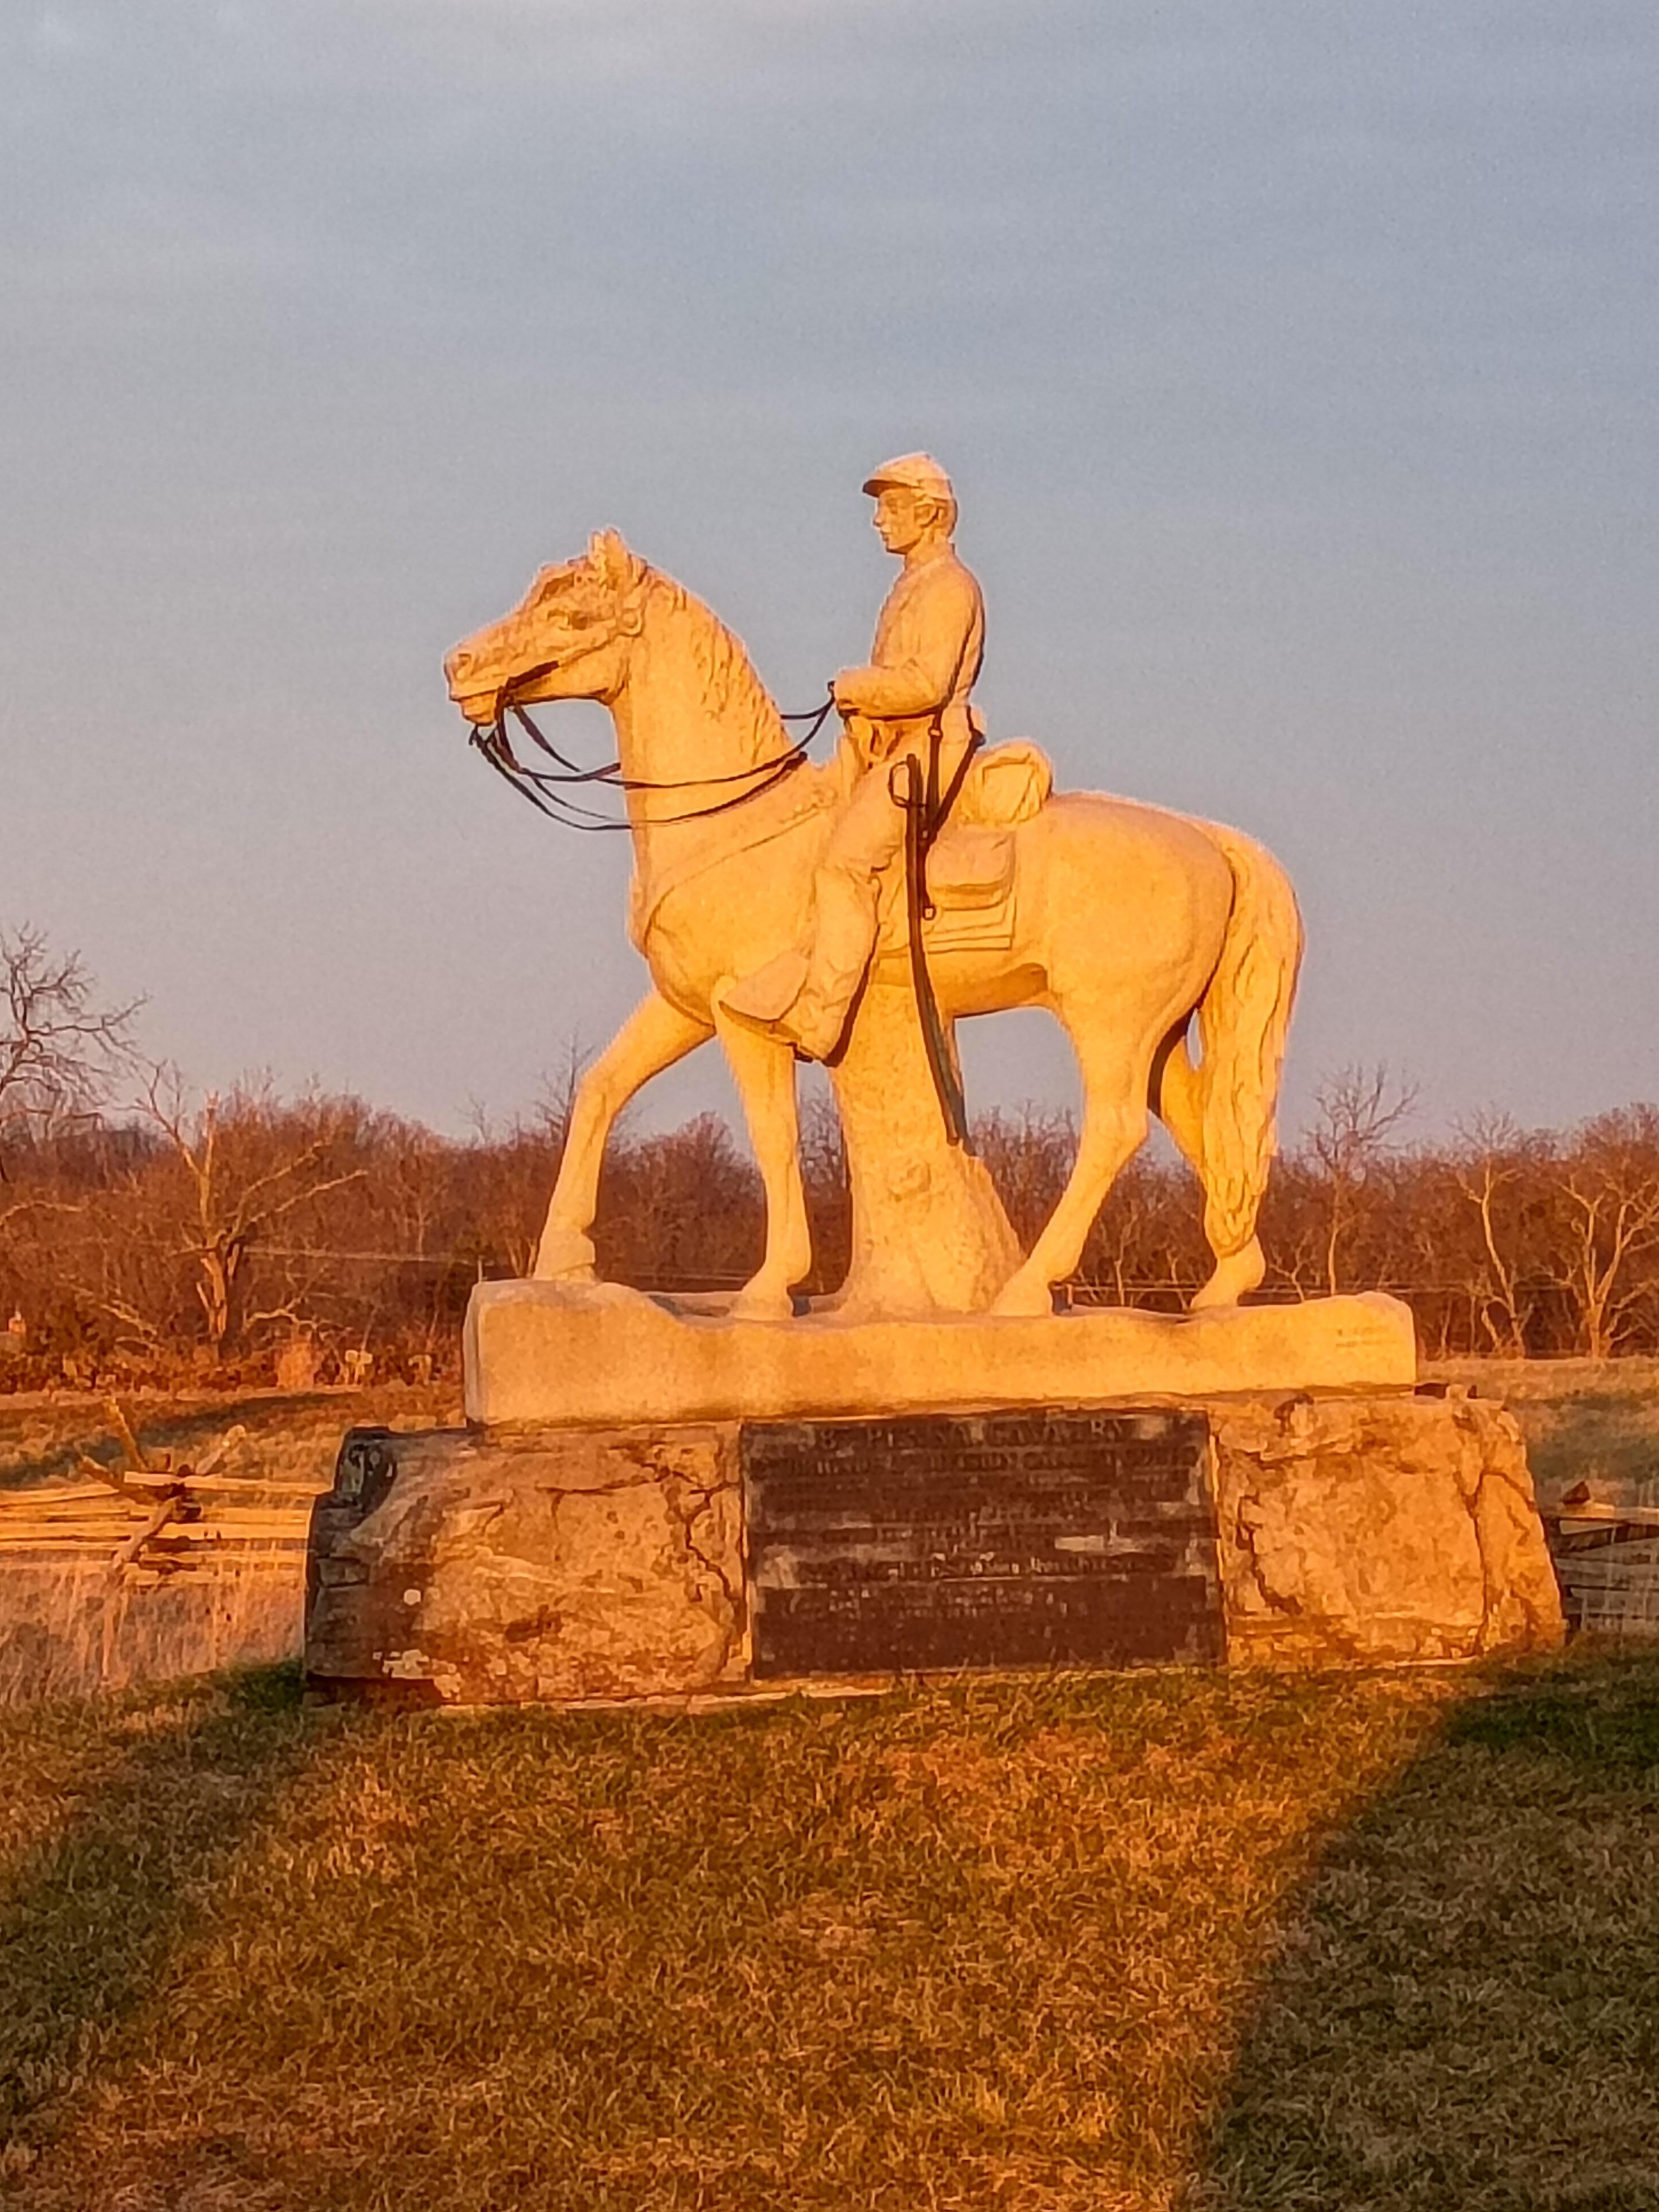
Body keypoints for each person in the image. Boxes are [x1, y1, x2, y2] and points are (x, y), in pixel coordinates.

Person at [723, 452, 985, 1060]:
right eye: (881, 508)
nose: (879, 521)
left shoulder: (950, 586)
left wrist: (858, 687)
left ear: (928, 513)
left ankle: (822, 1013)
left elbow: (927, 683)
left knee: (845, 862)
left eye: (891, 507)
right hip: (892, 743)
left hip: (930, 746)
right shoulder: (912, 585)